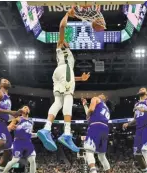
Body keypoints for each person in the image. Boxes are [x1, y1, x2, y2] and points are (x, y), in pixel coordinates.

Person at [37, 9, 90, 153]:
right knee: (68, 100)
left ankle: (47, 128)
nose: (68, 42)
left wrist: (80, 78)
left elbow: (69, 74)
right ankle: (67, 134)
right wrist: (68, 14)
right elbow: (62, 27)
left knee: (58, 102)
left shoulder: (64, 54)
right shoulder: (61, 44)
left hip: (60, 74)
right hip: (65, 72)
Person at [123, 87, 147, 173]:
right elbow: (136, 119)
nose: (141, 89)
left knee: (145, 150)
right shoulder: (136, 105)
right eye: (140, 89)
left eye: (143, 89)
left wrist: (145, 110)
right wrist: (128, 124)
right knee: (137, 154)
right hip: (139, 129)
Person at [81, 95, 111, 173]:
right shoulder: (106, 108)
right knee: (102, 156)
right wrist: (85, 105)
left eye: (101, 94)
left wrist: (87, 115)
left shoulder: (95, 98)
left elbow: (91, 110)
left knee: (89, 150)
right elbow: (92, 114)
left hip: (96, 126)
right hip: (105, 129)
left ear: (103, 98)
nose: (99, 94)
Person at [3, 106, 37, 173]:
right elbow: (9, 128)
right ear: (21, 110)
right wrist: (10, 128)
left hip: (28, 142)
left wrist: (37, 134)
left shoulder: (31, 121)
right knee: (15, 160)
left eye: (27, 108)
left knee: (32, 160)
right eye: (24, 107)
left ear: (29, 111)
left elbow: (29, 134)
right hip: (18, 141)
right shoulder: (17, 118)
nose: (26, 108)